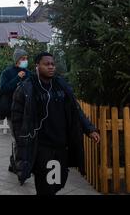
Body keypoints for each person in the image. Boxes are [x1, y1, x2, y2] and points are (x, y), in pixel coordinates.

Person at [11, 52, 100, 195]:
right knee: (46, 186)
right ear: (37, 66)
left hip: (61, 145)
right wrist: (22, 140)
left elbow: (76, 110)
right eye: (46, 64)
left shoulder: (61, 85)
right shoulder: (27, 88)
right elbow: (16, 118)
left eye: (52, 64)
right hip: (41, 147)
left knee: (58, 182)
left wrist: (89, 129)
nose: (51, 67)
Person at [0, 49, 31, 173]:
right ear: (17, 60)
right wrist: (17, 78)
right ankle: (18, 165)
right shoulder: (7, 73)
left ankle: (14, 162)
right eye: (23, 58)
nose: (25, 61)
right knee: (16, 138)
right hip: (12, 110)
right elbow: (4, 89)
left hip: (26, 110)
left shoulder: (29, 73)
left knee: (23, 138)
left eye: (26, 58)